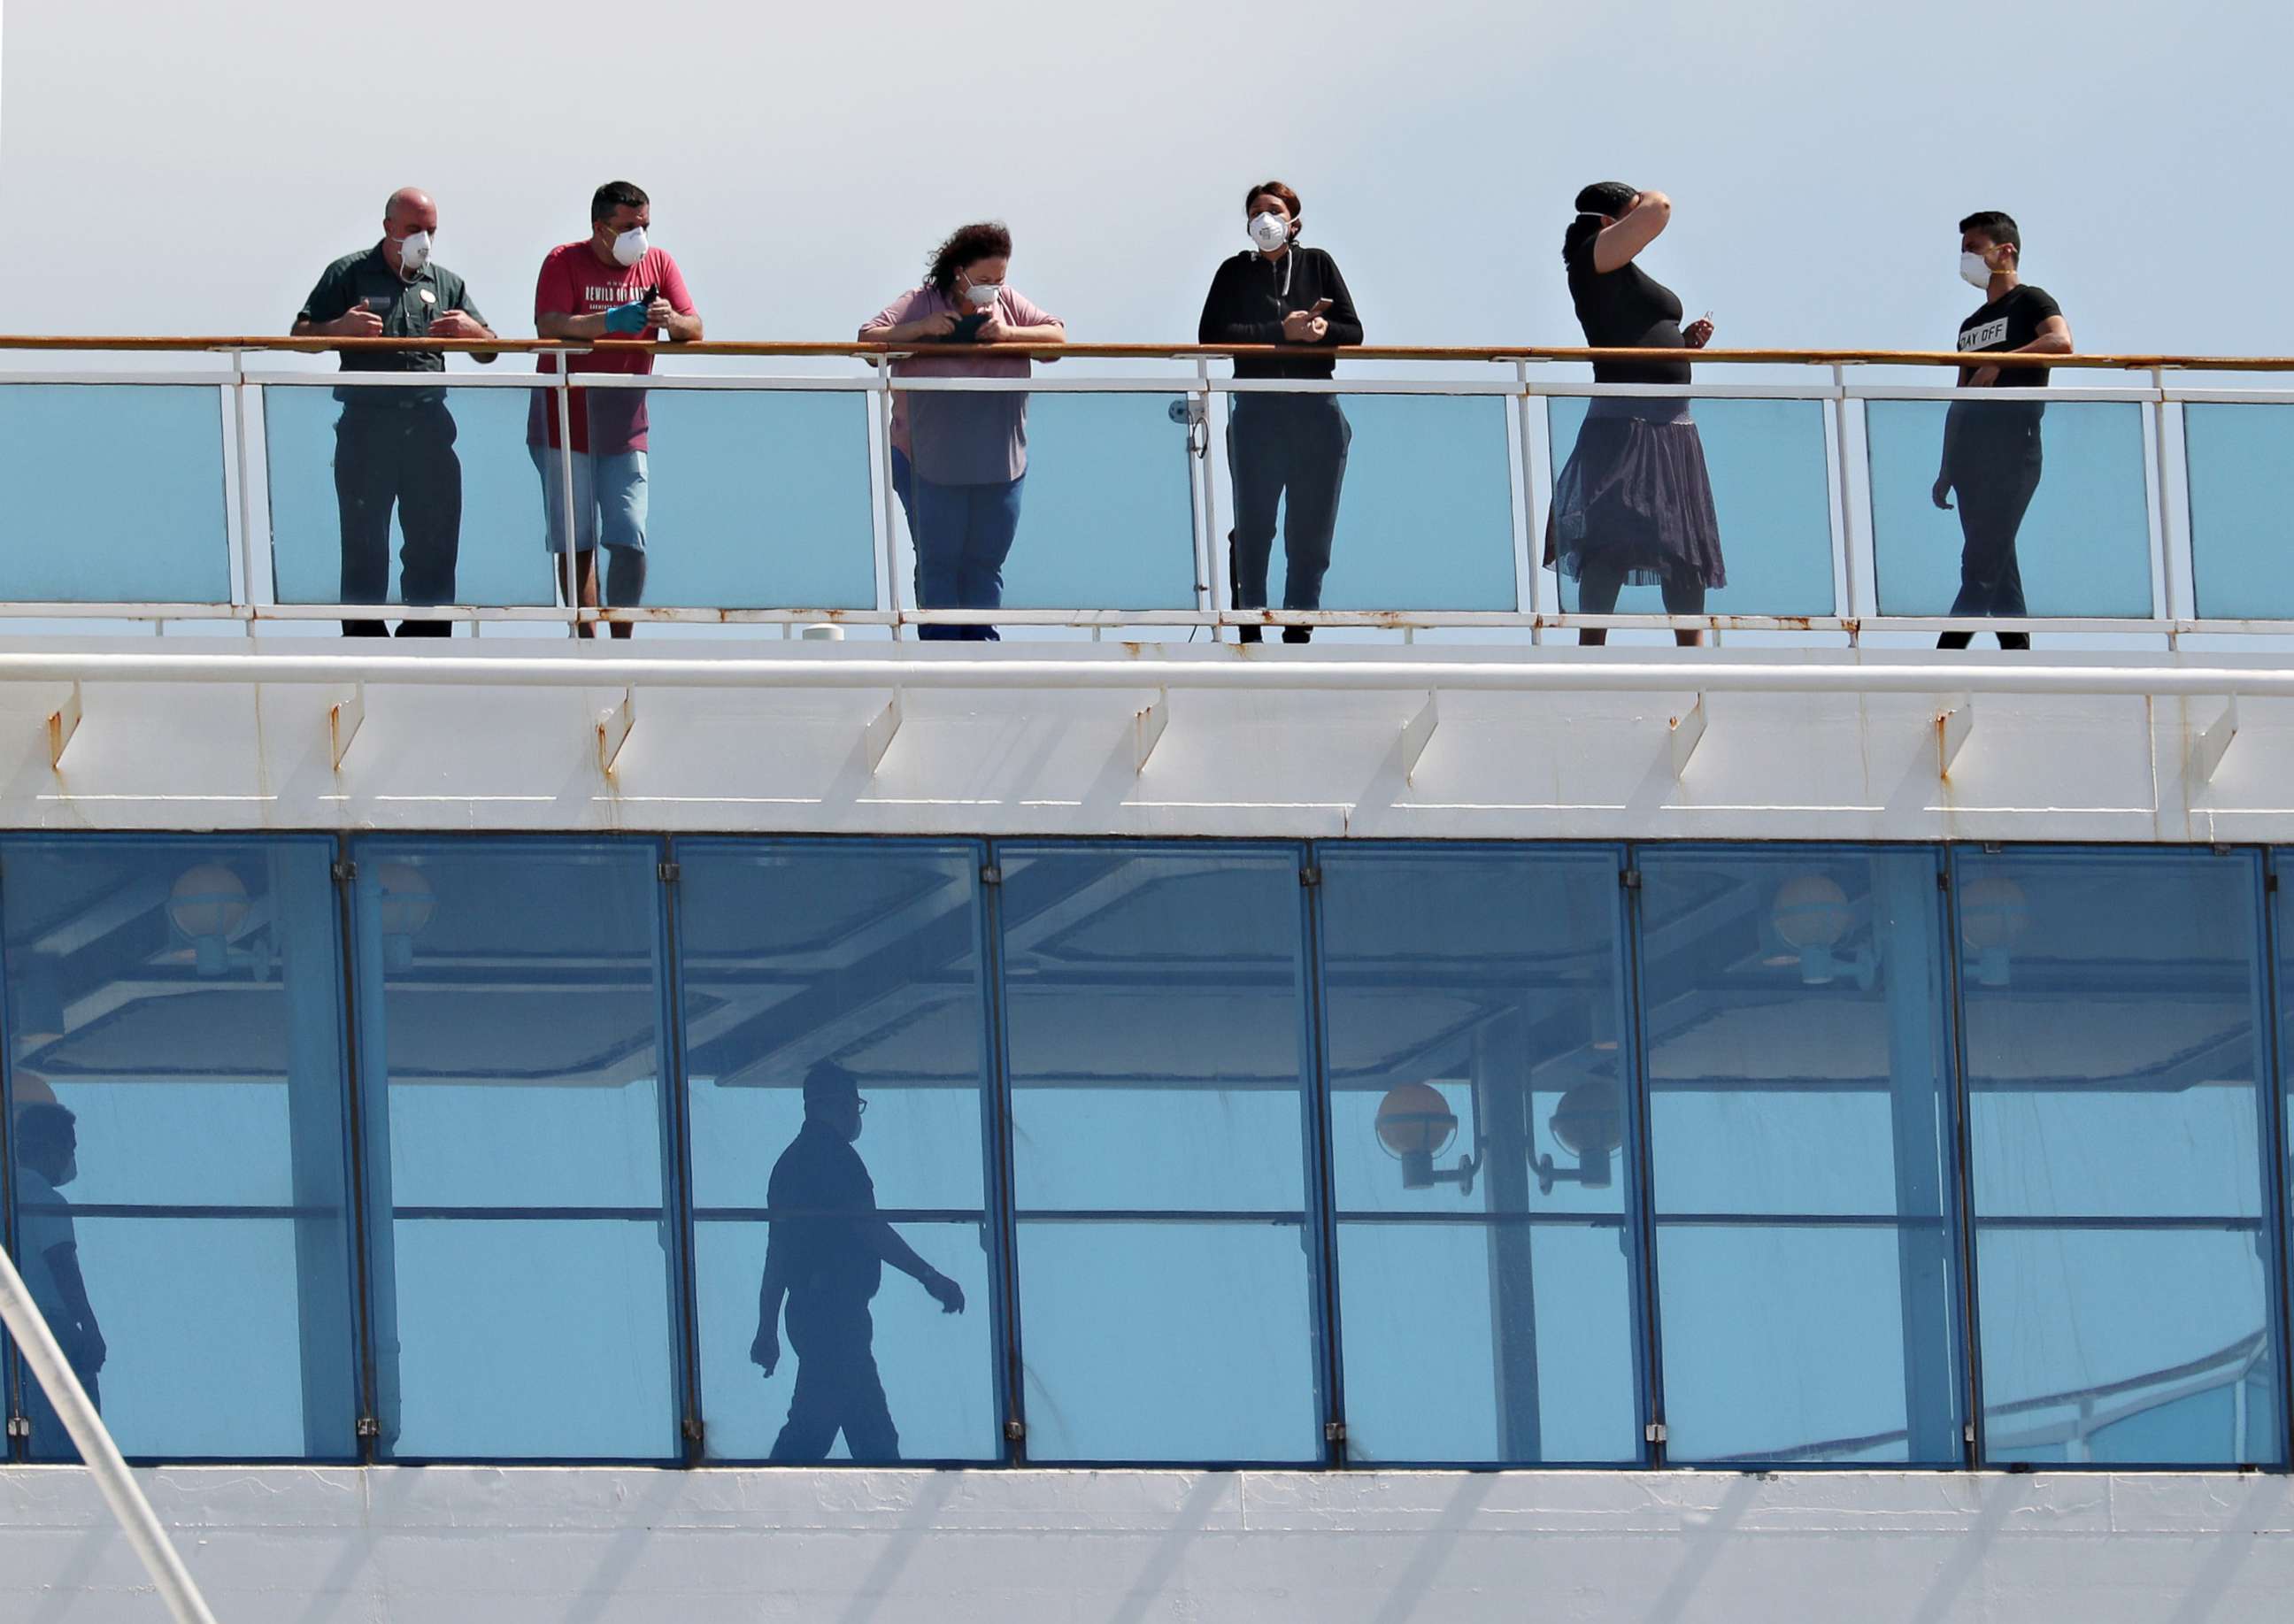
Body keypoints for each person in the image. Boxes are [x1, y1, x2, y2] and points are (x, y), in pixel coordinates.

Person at [293, 187, 498, 638]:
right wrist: (339, 329)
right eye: (413, 229)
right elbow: (300, 334)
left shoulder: (445, 283)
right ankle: (365, 646)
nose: (422, 239)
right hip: (367, 429)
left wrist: (471, 332)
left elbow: (491, 352)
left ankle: (425, 644)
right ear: (388, 228)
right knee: (365, 544)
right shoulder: (349, 274)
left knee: (435, 544)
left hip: (428, 429)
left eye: (430, 231)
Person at [750, 1062, 965, 1464]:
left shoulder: (788, 1164)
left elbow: (777, 1254)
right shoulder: (838, 1159)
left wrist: (767, 1327)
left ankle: (879, 1492)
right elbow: (869, 1228)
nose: (856, 1116)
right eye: (856, 1105)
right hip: (836, 1313)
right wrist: (928, 1276)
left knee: (868, 1428)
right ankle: (764, 1503)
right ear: (839, 1105)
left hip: (808, 1312)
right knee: (816, 1427)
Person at [859, 222, 1066, 641]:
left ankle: (981, 651)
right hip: (928, 460)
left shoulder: (1007, 304)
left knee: (985, 561)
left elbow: (1056, 338)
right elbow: (867, 340)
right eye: (984, 280)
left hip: (999, 461)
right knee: (940, 559)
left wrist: (1009, 334)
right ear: (959, 272)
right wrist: (920, 330)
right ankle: (940, 652)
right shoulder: (921, 302)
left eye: (999, 280)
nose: (992, 287)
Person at [1549, 183, 1724, 649]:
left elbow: (1640, 331)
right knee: (1611, 540)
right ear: (1609, 222)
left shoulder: (1617, 266)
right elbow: (1660, 205)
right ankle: (1591, 655)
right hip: (1623, 424)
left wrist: (1682, 346)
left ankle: (1693, 662)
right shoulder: (1594, 255)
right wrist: (1639, 201)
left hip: (1671, 428)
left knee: (1682, 549)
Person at [528, 181, 704, 640]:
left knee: (629, 536)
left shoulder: (659, 263)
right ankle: (587, 646)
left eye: (644, 225)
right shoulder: (563, 260)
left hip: (625, 425)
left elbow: (694, 328)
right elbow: (549, 323)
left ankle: (621, 643)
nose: (639, 236)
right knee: (577, 539)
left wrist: (671, 321)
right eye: (628, 227)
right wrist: (608, 322)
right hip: (564, 421)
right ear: (601, 229)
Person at [1197, 181, 1365, 644]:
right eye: (1255, 212)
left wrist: (1320, 329)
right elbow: (1211, 333)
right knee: (1255, 523)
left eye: (1272, 210)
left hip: (1317, 412)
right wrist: (1279, 331)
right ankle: (1248, 618)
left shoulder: (1318, 263)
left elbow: (1354, 331)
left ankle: (1299, 623)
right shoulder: (1234, 271)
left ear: (1294, 221)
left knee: (1311, 527)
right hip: (1257, 412)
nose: (1263, 219)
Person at [1933, 211, 2074, 651]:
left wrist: (2003, 361)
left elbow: (2061, 342)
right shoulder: (1970, 326)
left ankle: (1942, 662)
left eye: (1973, 247)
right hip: (1971, 459)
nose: (1967, 257)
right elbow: (1960, 398)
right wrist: (1946, 467)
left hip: (2014, 451)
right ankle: (2020, 659)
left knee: (1978, 565)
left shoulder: (2031, 301)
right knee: (1997, 567)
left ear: (2004, 250)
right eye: (1964, 250)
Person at [12, 1090, 105, 1452]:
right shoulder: (45, 1198)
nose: (70, 1158)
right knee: (70, 1430)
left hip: (15, 1327)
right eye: (70, 1147)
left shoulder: (10, 1192)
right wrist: (89, 1328)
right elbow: (63, 1267)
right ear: (51, 1148)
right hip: (48, 1324)